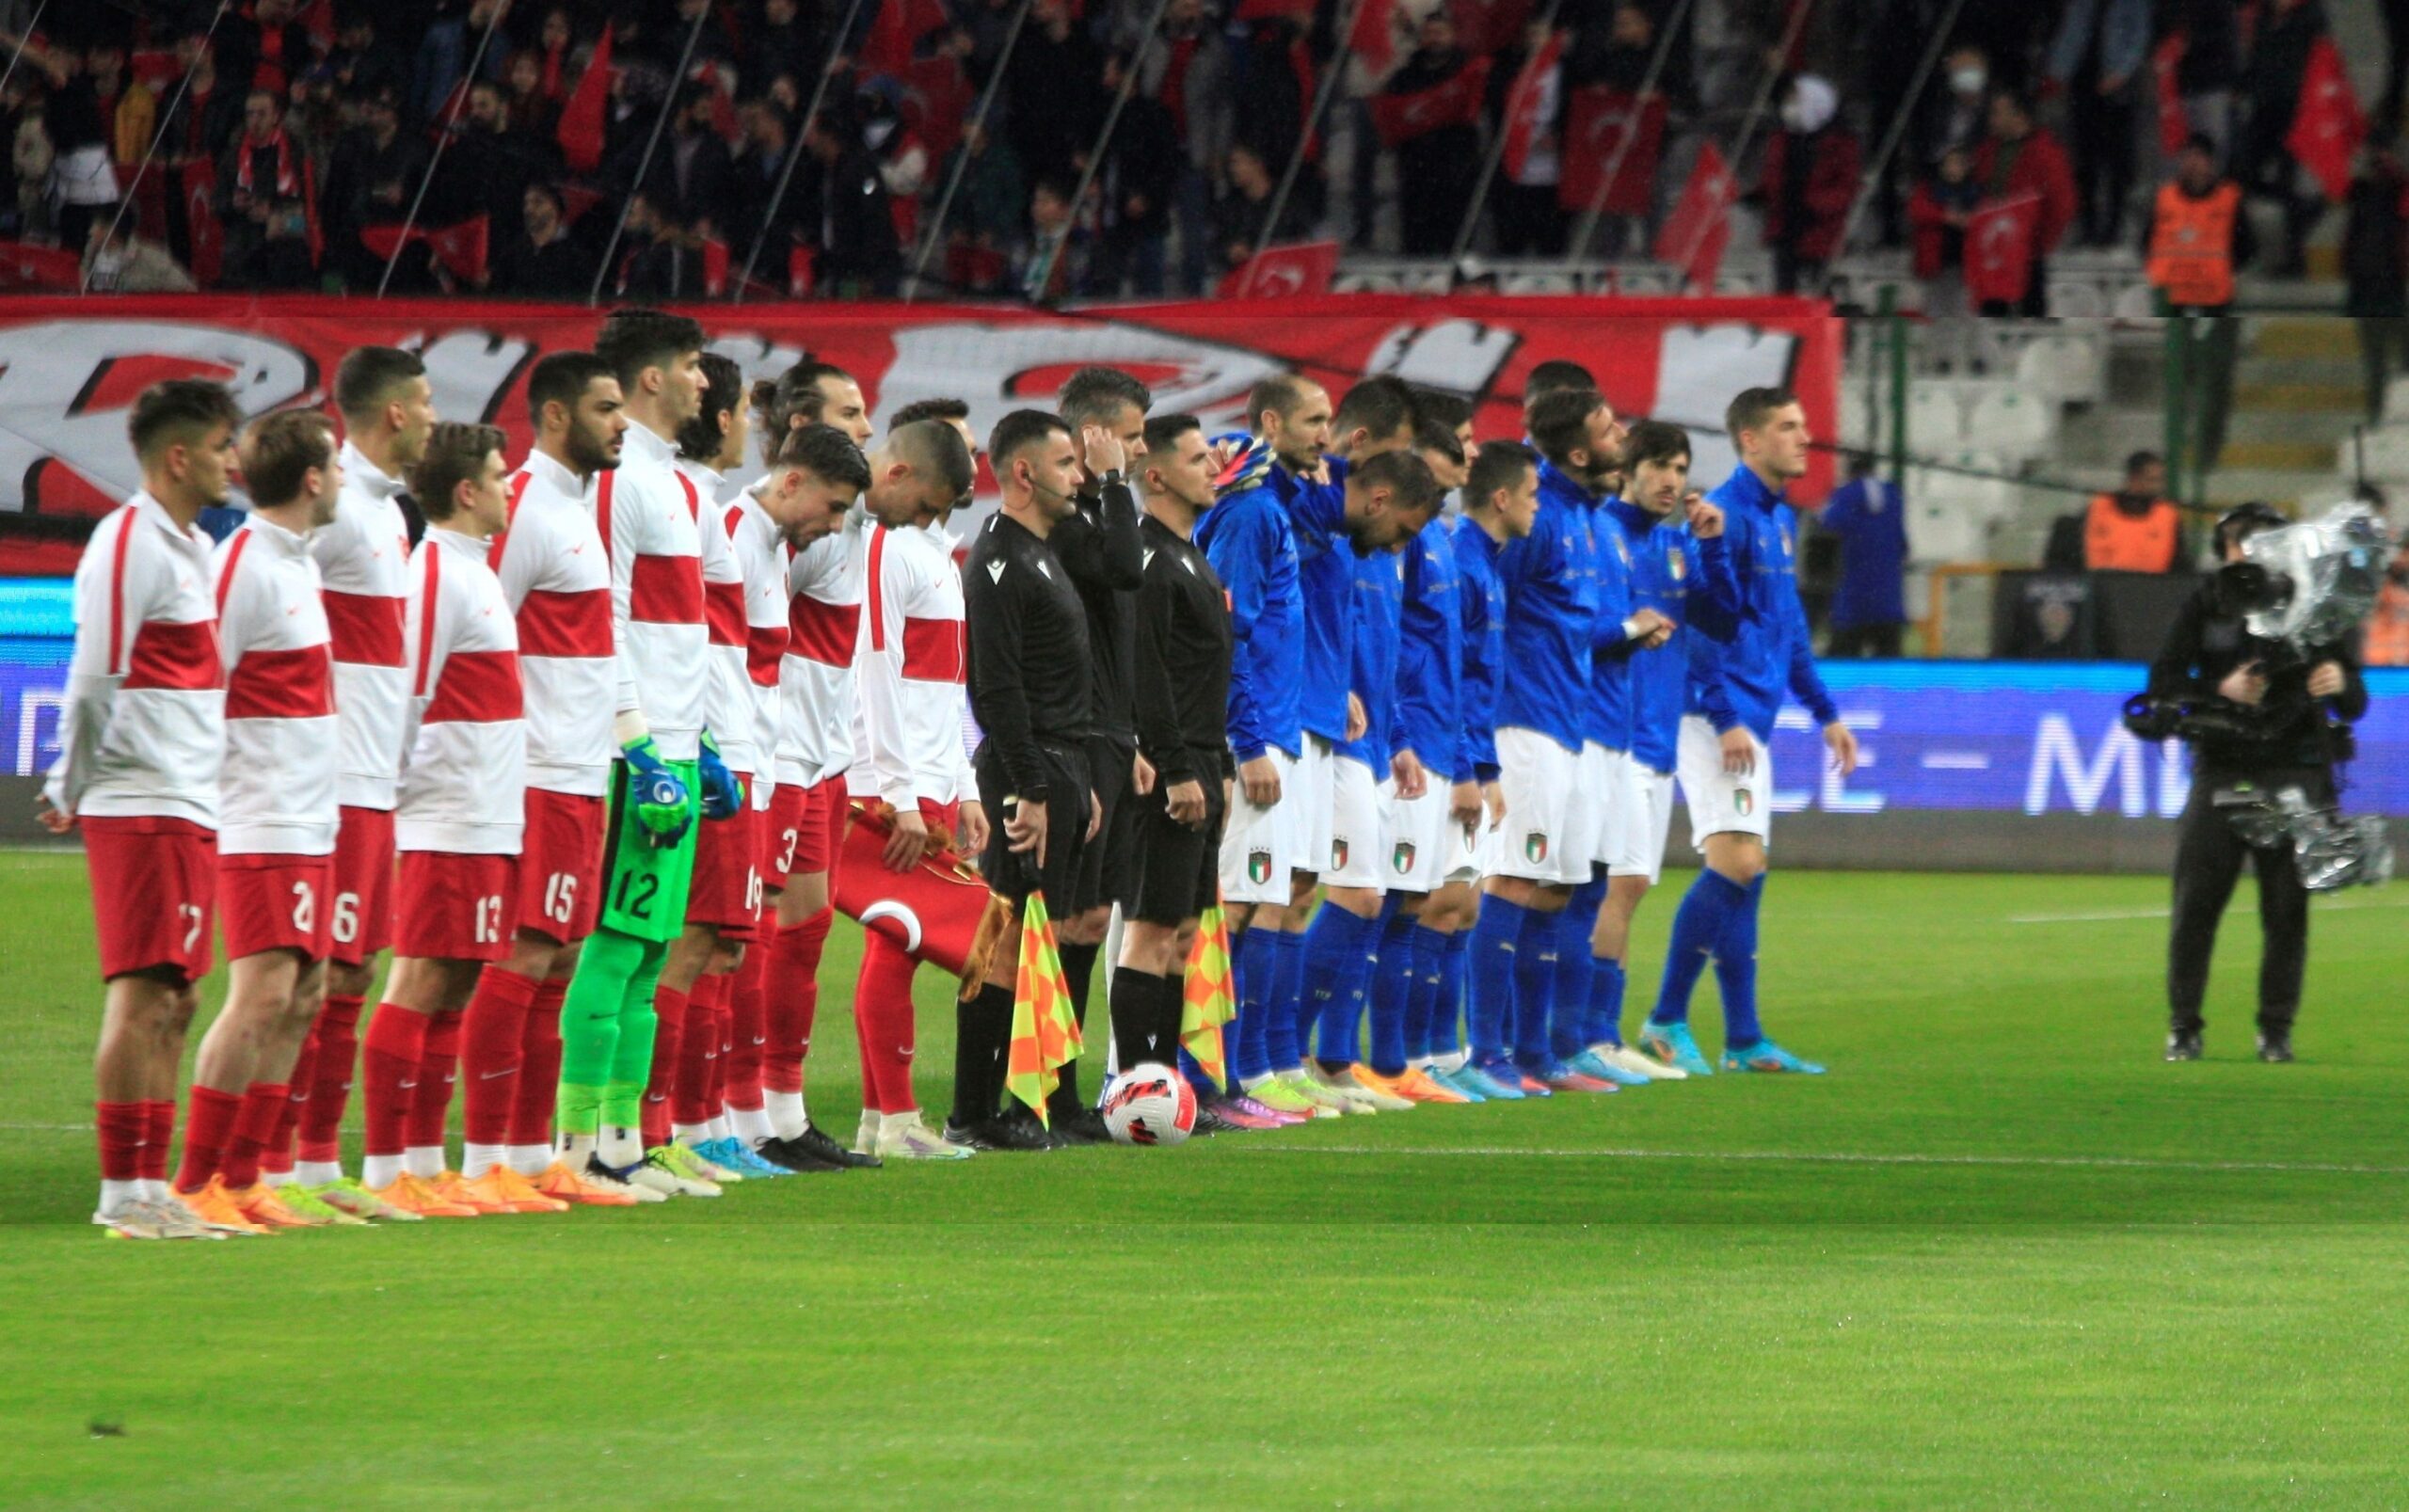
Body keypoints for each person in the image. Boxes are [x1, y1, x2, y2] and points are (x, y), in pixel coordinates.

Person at [43, 380, 241, 1241]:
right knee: (143, 995)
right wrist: (68, 783)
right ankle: (121, 1190)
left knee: (180, 997)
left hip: (188, 797)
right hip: (141, 796)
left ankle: (149, 1184)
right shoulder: (128, 543)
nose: (235, 460)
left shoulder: (190, 544)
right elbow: (95, 678)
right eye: (224, 445)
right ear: (178, 456)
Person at [555, 309, 740, 1200]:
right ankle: (575, 1144)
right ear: (654, 377)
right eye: (696, 366)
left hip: (670, 743)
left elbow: (680, 633)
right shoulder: (620, 477)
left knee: (650, 954)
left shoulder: (682, 487)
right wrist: (639, 747)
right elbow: (608, 620)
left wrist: (698, 738)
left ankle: (621, 1143)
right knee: (616, 947)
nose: (707, 383)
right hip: (629, 756)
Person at [1638, 387, 1856, 1075]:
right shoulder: (1724, 516)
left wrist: (1824, 711)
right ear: (1751, 441)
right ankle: (1666, 1017)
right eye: (1790, 427)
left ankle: (1744, 1037)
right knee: (1736, 863)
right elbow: (1697, 627)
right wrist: (1726, 715)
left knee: (1747, 876)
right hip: (1712, 715)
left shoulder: (1776, 519)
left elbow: (1786, 624)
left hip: (1748, 715)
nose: (1805, 436)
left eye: (1804, 424)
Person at [170, 411, 350, 1234]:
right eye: (337, 467)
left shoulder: (296, 562)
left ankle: (244, 1178)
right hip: (260, 816)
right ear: (311, 478)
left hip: (311, 818)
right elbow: (204, 685)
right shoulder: (240, 562)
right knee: (261, 994)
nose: (343, 479)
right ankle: (193, 1179)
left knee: (305, 992)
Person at [478, 352, 639, 1210]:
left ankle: (536, 1157)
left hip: (586, 771)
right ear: (553, 417)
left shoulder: (579, 511)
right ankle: (484, 1156)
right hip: (536, 772)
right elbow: (481, 631)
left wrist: (635, 744)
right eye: (606, 406)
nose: (621, 423)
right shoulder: (529, 511)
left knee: (564, 956)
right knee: (524, 954)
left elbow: (601, 647)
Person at [358, 422, 528, 1218]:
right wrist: (397, 795)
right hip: (446, 813)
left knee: (456, 984)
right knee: (421, 979)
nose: (507, 486)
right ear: (467, 491)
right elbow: (406, 688)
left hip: (490, 811)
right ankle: (388, 1167)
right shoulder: (434, 572)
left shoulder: (476, 570)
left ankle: (427, 1163)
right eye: (498, 475)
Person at [284, 347, 437, 1216]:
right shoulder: (333, 515)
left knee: (352, 974)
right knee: (315, 976)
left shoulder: (385, 516)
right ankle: (272, 1165)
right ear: (392, 415)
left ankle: (312, 1169)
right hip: (332, 782)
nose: (430, 416)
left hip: (378, 782)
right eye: (422, 401)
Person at [2148, 504, 2369, 1061]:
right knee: (2196, 905)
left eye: (2258, 544)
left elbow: (2356, 701)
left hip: (2295, 770)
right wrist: (2218, 691)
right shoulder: (2204, 603)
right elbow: (2163, 686)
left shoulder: (2314, 604)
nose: (2245, 556)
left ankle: (2275, 1029)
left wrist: (2339, 680)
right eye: (2237, 545)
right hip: (2224, 767)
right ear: (2223, 551)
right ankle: (2184, 1025)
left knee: (2286, 911)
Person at [715, 421, 869, 1171]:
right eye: (834, 507)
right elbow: (718, 664)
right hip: (741, 770)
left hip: (777, 767)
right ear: (793, 481)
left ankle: (754, 1121)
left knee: (744, 939)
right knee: (717, 945)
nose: (837, 525)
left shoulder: (775, 545)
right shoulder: (738, 535)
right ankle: (715, 1123)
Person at [1465, 387, 1627, 1098]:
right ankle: (1487, 1050)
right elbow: (1489, 615)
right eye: (1608, 426)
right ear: (1581, 449)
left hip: (1570, 723)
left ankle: (1536, 1052)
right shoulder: (1542, 520)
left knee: (1557, 887)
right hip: (1523, 719)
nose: (1622, 433)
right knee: (1512, 878)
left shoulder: (1588, 518)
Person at [952, 410, 1098, 1150]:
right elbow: (998, 690)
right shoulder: (1000, 559)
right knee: (1005, 933)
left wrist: (1079, 779)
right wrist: (1033, 786)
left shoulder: (1043, 553)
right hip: (1024, 767)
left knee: (1037, 934)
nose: (1081, 475)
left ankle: (1023, 1100)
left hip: (1059, 762)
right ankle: (974, 1111)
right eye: (1069, 462)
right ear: (1023, 473)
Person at [848, 408, 988, 1157]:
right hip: (889, 780)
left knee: (899, 941)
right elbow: (876, 668)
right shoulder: (887, 548)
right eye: (937, 494)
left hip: (930, 775)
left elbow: (943, 685)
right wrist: (899, 795)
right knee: (897, 939)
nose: (943, 508)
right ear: (903, 467)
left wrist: (962, 782)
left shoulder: (933, 552)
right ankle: (894, 1120)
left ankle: (882, 1121)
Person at [1285, 377, 1428, 1116]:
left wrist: (1397, 732)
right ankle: (1288, 1052)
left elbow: (1390, 645)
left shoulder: (1370, 538)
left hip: (1367, 736)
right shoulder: (1314, 514)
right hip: (1316, 727)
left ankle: (1313, 1058)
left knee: (1338, 893)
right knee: (1337, 892)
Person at [1121, 413, 1262, 1122]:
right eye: (1200, 458)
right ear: (1156, 474)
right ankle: (1135, 1088)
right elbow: (1149, 677)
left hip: (1205, 759)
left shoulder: (1192, 555)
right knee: (1150, 929)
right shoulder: (1149, 558)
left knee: (1180, 932)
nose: (1215, 469)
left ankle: (1162, 1088)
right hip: (1174, 766)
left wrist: (1220, 765)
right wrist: (1177, 767)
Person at [1588, 421, 1739, 1081]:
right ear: (1627, 466)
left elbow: (1723, 620)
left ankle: (1602, 1033)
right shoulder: (1603, 533)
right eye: (1659, 466)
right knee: (1608, 886)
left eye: (1680, 467)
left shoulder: (1679, 547)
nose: (1672, 480)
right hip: (1608, 734)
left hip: (1654, 739)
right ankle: (1586, 1034)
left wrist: (1712, 548)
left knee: (1632, 886)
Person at [1196, 381, 1321, 1122]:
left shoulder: (1270, 509)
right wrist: (1249, 742)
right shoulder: (1248, 515)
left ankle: (1236, 1073)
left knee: (1258, 903)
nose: (1327, 436)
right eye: (1316, 422)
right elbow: (1230, 634)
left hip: (1278, 723)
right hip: (1255, 734)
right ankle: (1206, 1077)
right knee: (1233, 908)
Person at [1047, 367, 1151, 1138]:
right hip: (1073, 740)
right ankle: (1038, 1087)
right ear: (1094, 436)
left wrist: (1135, 734)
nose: (1139, 453)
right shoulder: (1064, 519)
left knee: (1088, 921)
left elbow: (1124, 625)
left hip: (1113, 736)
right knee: (1057, 920)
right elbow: (1120, 568)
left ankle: (1065, 1091)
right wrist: (1115, 485)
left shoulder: (1103, 511)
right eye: (1133, 436)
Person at [1422, 442, 1541, 1098]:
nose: (1537, 507)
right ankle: (1406, 1054)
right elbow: (1451, 676)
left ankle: (1444, 1052)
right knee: (1438, 902)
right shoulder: (1463, 562)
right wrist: (1473, 766)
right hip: (1446, 754)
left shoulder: (1485, 565)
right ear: (1502, 499)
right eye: (1531, 495)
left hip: (1470, 753)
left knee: (1461, 906)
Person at [2046, 0, 2149, 247]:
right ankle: (2088, 226)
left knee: (2116, 162)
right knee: (2085, 161)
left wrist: (2120, 73)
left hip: (2117, 89)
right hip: (2083, 84)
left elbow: (2139, 39)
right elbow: (2069, 36)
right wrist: (2056, 72)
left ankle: (2113, 227)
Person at [1971, 89, 2076, 316]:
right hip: (1993, 249)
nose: (1992, 119)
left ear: (2019, 116)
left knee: (2031, 310)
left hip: (2027, 248)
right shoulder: (1987, 151)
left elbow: (2061, 203)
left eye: (1998, 113)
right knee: (1991, 310)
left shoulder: (2045, 153)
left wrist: (2040, 241)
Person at [1757, 74, 1859, 294]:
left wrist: (1815, 205)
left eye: (1795, 100)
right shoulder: (1782, 137)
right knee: (1784, 291)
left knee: (1820, 289)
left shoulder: (1840, 142)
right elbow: (1773, 174)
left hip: (1818, 227)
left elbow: (1846, 188)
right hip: (1785, 226)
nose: (1789, 107)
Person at [1819, 452, 1912, 657]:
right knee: (1889, 661)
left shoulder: (1846, 495)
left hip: (1853, 599)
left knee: (1843, 660)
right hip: (1889, 599)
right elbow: (1903, 546)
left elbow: (1829, 522)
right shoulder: (1892, 494)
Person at [2345, 141, 2409, 423]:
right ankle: (2377, 416)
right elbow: (2352, 246)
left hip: (2394, 288)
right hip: (2370, 289)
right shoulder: (2360, 197)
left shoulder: (2401, 195)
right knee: (2376, 363)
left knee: (2398, 360)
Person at [2085, 452, 2184, 573]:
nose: (2159, 487)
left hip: (2152, 587)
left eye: (2160, 480)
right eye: (2153, 480)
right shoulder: (2099, 509)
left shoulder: (2168, 516)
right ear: (2134, 479)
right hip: (2105, 587)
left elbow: (2181, 564)